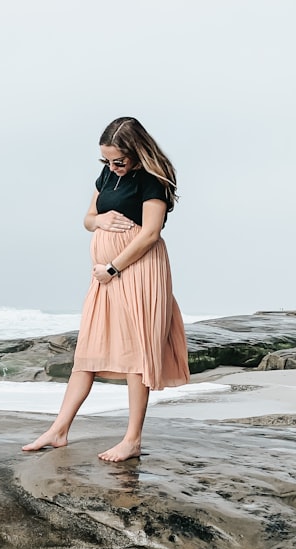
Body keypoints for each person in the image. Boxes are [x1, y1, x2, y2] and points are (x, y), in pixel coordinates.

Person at [22, 117, 190, 462]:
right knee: (87, 351)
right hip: (105, 276)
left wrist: (113, 267)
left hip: (138, 272)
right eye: (107, 161)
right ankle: (59, 429)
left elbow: (150, 234)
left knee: (136, 356)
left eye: (119, 160)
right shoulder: (109, 175)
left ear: (137, 152)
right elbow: (87, 218)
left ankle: (132, 440)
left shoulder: (152, 181)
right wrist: (98, 221)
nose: (113, 167)